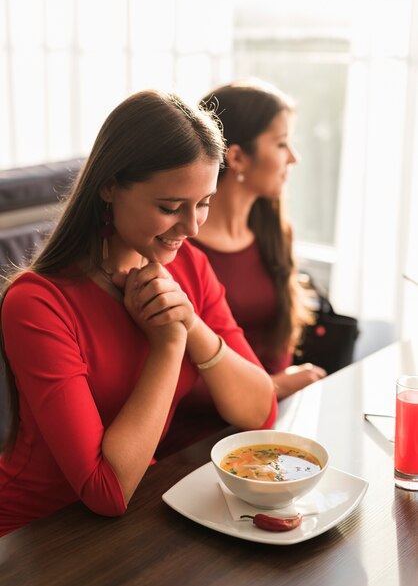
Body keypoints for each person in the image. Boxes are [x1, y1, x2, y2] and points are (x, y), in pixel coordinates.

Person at [0, 89, 277, 536]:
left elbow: (260, 412)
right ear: (108, 186)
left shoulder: (189, 266)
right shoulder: (38, 303)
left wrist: (192, 325)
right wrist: (169, 346)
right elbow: (106, 490)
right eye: (170, 208)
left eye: (203, 202)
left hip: (134, 518)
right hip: (35, 536)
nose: (191, 228)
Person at [156, 80, 326, 459]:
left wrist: (278, 394)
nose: (293, 158)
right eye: (281, 143)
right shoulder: (176, 250)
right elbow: (174, 378)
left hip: (273, 425)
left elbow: (279, 333)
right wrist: (275, 386)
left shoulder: (272, 231)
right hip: (198, 446)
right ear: (237, 158)